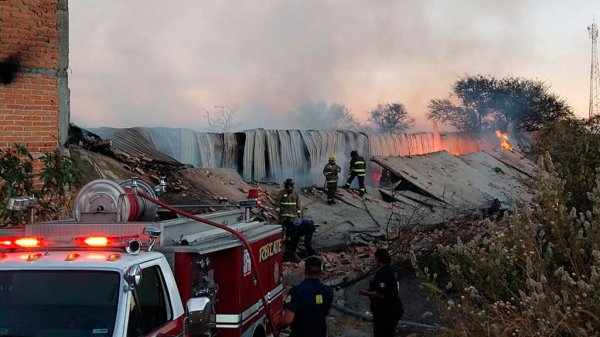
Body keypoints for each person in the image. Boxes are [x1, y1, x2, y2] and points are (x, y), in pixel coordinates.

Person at [278, 256, 333, 337]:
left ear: (305, 271)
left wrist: (277, 326)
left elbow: (287, 320)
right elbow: (326, 316)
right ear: (320, 273)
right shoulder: (328, 291)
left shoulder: (296, 292)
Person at [360, 248, 404, 337]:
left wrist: (366, 293)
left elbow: (381, 293)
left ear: (377, 259)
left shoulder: (384, 274)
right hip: (394, 308)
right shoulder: (392, 270)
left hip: (386, 312)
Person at [275, 178, 301, 261]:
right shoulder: (281, 193)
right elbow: (277, 204)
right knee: (282, 233)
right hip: (283, 217)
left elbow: (298, 205)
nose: (290, 188)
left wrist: (298, 213)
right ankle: (281, 248)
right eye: (288, 186)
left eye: (291, 186)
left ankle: (289, 249)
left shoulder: (295, 194)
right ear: (286, 186)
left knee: (291, 233)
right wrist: (278, 212)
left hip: (292, 218)